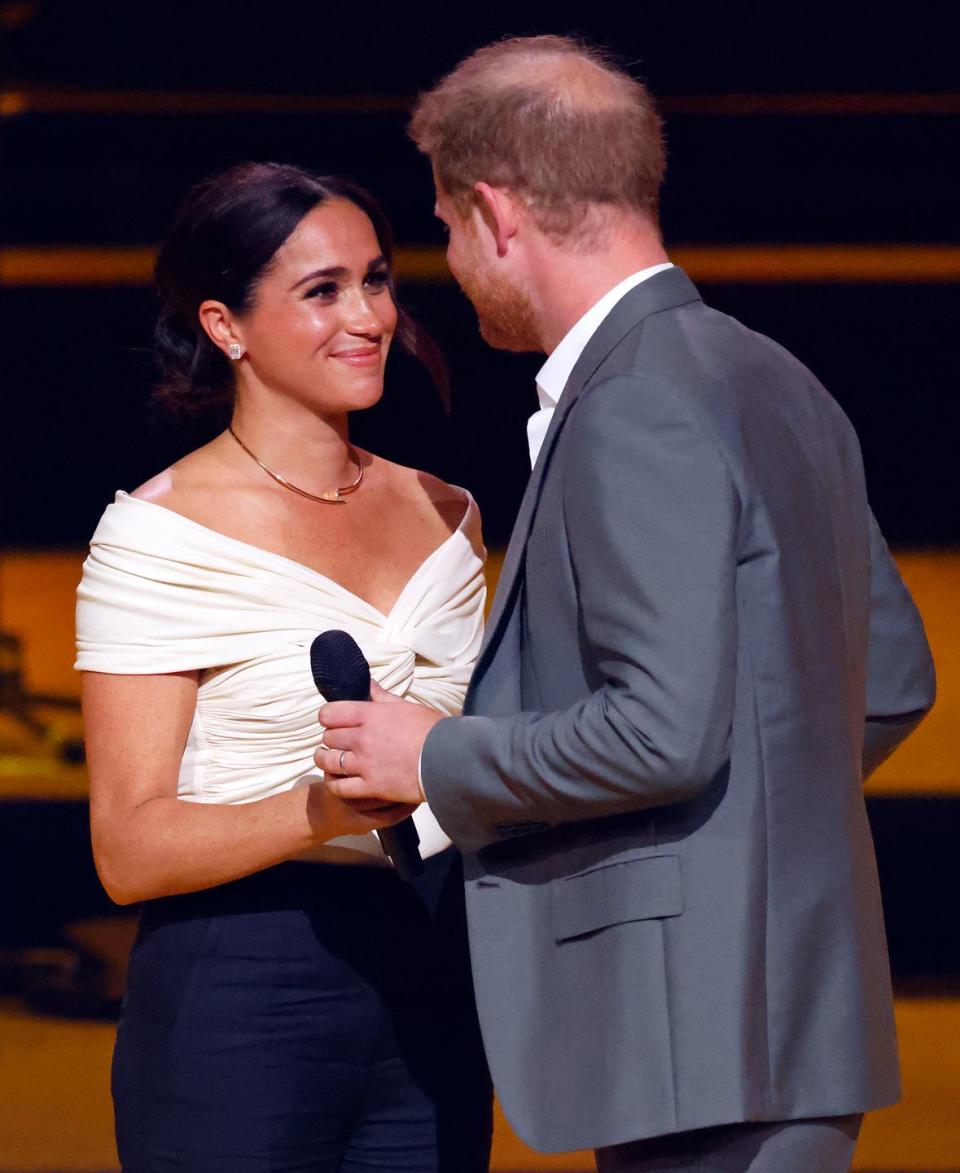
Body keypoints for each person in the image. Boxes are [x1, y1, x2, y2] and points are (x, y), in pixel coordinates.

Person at [315, 35, 937, 1173]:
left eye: (446, 229)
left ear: (497, 214)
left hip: (688, 1033)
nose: (449, 260)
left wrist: (439, 756)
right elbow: (892, 681)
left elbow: (661, 731)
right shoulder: (774, 375)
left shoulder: (633, 404)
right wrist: (748, 852)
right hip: (785, 1017)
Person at [75, 161, 492, 1173]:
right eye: (322, 292)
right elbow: (128, 851)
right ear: (227, 326)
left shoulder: (450, 512)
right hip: (243, 988)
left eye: (378, 280)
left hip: (439, 977)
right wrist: (325, 811)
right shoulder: (158, 536)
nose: (368, 316)